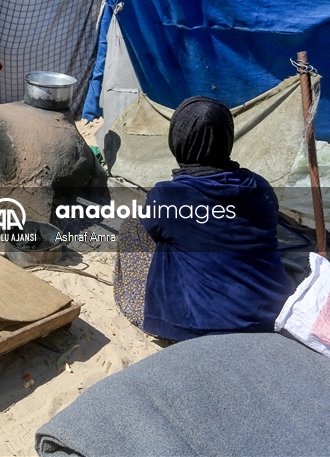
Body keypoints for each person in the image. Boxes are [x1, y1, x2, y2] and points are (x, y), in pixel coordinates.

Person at [113, 96, 293, 341]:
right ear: (227, 138)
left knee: (134, 228)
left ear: (178, 140)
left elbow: (153, 232)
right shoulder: (260, 187)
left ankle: (153, 315)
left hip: (197, 328)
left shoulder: (168, 196)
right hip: (269, 317)